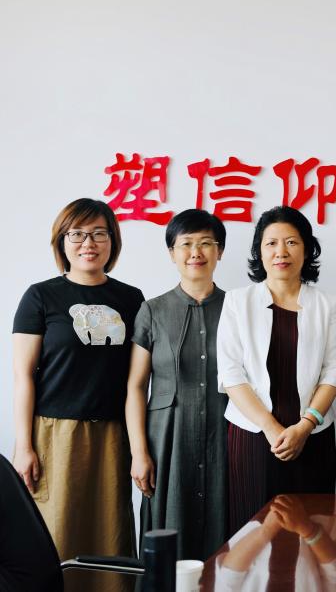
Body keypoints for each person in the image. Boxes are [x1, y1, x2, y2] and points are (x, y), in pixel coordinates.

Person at [12, 198, 144, 592]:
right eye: (78, 234)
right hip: (55, 434)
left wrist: (139, 448)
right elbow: (23, 376)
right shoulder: (40, 297)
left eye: (99, 233)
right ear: (62, 241)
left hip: (112, 435)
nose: (89, 243)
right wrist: (24, 446)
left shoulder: (132, 299)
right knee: (56, 532)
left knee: (110, 533)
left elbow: (137, 380)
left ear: (112, 241)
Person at [217, 206, 336, 535]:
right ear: (259, 251)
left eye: (291, 242)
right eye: (271, 243)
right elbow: (231, 375)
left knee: (312, 534)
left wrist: (304, 426)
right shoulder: (237, 301)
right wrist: (270, 427)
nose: (281, 252)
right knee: (253, 534)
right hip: (252, 436)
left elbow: (334, 372)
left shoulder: (328, 304)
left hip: (312, 436)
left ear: (307, 248)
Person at [124, 209, 229, 560]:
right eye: (186, 244)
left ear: (219, 251)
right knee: (167, 533)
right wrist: (139, 453)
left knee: (226, 527)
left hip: (225, 435)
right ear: (172, 253)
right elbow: (136, 386)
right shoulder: (152, 310)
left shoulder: (237, 308)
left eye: (206, 243)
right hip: (167, 440)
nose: (195, 252)